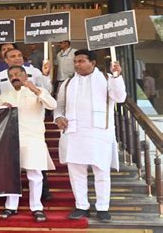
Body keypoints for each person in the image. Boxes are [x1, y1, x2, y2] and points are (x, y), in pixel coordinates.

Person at [54, 49, 126, 223]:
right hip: (74, 132)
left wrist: (116, 77)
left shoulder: (107, 79)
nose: (77, 64)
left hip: (99, 132)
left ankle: (102, 208)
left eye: (81, 61)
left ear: (92, 63)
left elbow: (120, 97)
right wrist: (58, 117)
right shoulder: (67, 83)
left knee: (101, 172)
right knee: (76, 172)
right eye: (75, 61)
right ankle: (82, 206)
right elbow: (59, 106)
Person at [0, 66, 56, 223]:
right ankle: (11, 206)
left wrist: (35, 90)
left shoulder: (37, 90)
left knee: (35, 175)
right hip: (11, 139)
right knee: (12, 174)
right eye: (11, 75)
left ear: (25, 75)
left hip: (33, 138)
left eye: (17, 74)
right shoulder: (5, 94)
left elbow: (52, 105)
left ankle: (37, 207)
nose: (14, 77)